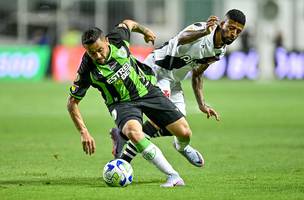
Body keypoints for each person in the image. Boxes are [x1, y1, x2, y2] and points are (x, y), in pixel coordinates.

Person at [67, 19, 205, 187]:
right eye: (91, 53)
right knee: (135, 133)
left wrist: (145, 30)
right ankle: (173, 175)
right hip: (122, 104)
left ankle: (182, 147)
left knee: (184, 133)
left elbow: (128, 23)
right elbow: (72, 103)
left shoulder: (117, 39)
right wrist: (84, 132)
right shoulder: (87, 69)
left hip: (148, 91)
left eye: (100, 50)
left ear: (107, 41)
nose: (98, 56)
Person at [111, 9, 246, 166]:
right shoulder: (202, 29)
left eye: (238, 31)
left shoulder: (220, 50)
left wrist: (202, 104)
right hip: (157, 71)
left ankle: (179, 146)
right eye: (231, 27)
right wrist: (203, 31)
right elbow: (181, 39)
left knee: (182, 131)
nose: (233, 33)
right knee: (161, 119)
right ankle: (123, 162)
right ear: (222, 24)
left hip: (173, 81)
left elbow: (197, 74)